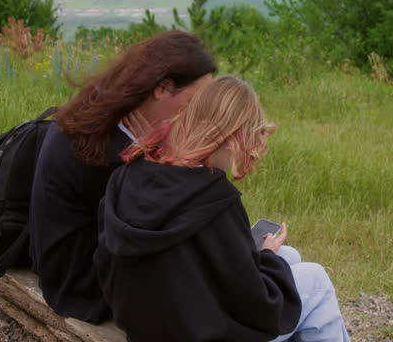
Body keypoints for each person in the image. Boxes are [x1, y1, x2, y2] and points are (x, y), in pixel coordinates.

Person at [95, 75, 350, 342]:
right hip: (195, 332)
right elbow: (256, 306)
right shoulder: (213, 199)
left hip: (143, 319)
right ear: (233, 136)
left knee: (289, 255)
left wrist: (269, 257)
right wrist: (268, 259)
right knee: (316, 279)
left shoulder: (128, 175)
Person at [28, 31, 216, 323]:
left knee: (280, 268)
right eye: (194, 103)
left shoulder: (103, 120)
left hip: (86, 269)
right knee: (304, 281)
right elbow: (167, 224)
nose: (199, 116)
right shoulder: (111, 150)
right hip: (86, 288)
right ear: (163, 88)